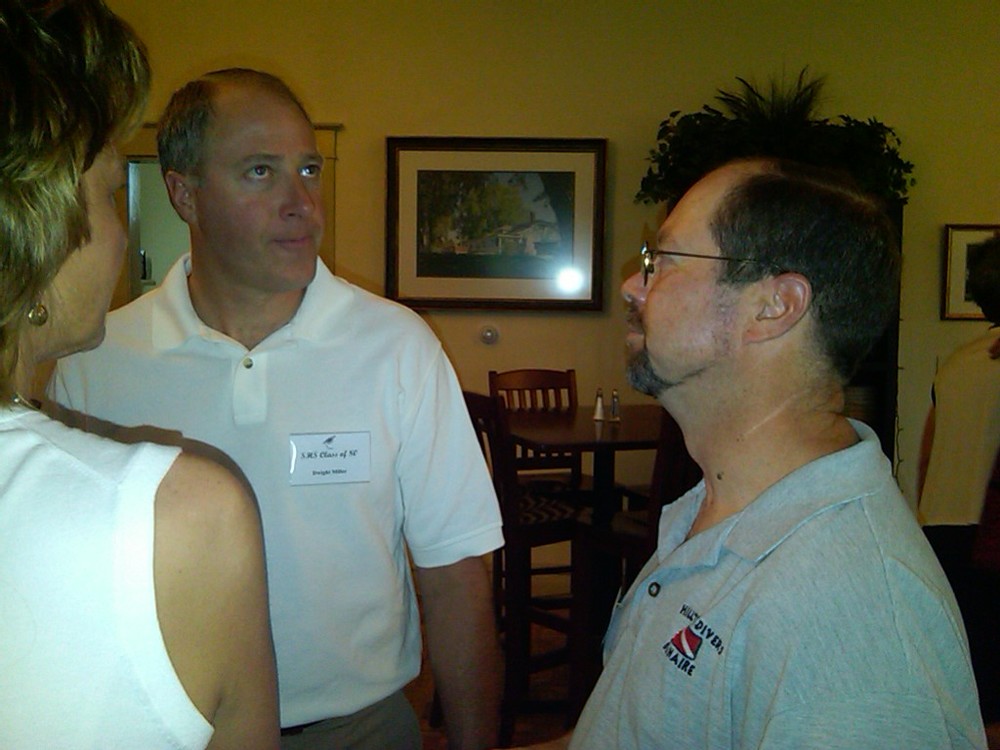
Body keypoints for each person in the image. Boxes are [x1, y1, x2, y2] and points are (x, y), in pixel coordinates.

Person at [50, 67, 504, 750]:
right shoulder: (97, 361)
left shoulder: (397, 347)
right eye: (260, 172)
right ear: (184, 194)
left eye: (309, 170)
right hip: (167, 733)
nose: (302, 204)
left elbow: (455, 573)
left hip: (358, 731)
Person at [519, 158, 987, 750]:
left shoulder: (848, 618)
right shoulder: (714, 509)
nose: (632, 285)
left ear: (775, 306)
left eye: (663, 260)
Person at [0, 2, 278, 749]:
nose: (121, 235)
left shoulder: (399, 342)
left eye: (310, 169)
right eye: (110, 191)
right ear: (40, 228)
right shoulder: (189, 513)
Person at [919, 235, 1000, 727]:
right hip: (989, 534)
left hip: (941, 529)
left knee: (967, 684)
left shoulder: (957, 364)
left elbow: (928, 455)